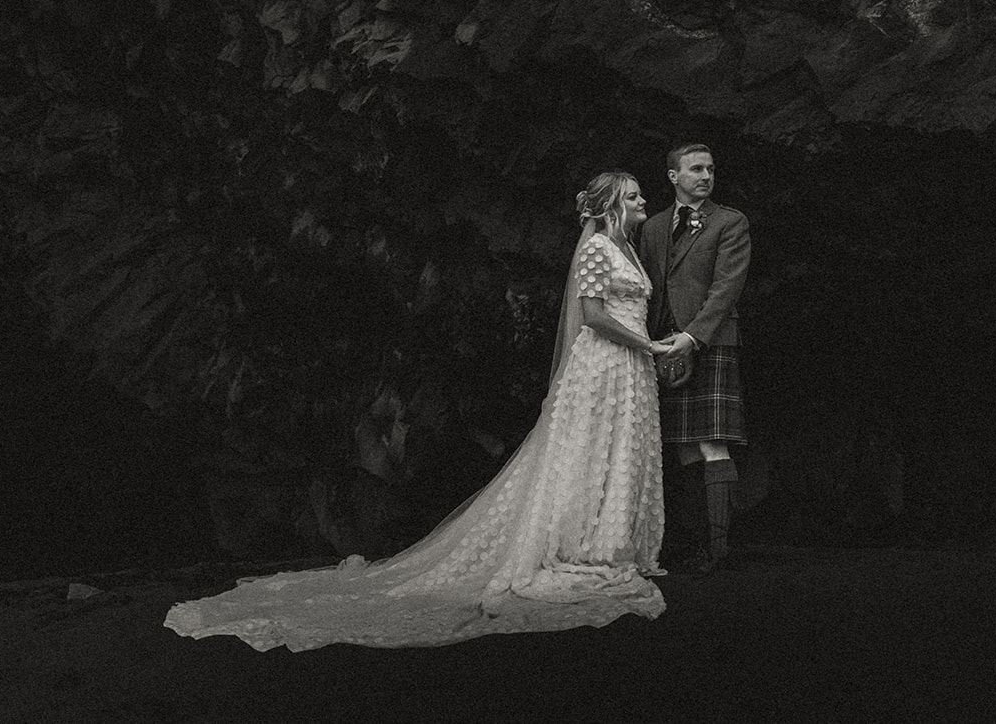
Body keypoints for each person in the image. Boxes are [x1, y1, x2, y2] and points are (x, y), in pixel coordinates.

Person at [164, 173, 674, 650]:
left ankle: (614, 541)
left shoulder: (627, 251)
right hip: (605, 367)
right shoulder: (597, 249)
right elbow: (591, 315)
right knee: (585, 454)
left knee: (619, 449)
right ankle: (582, 544)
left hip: (627, 368)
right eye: (632, 197)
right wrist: (647, 344)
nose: (643, 203)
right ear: (610, 208)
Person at [638, 143, 751, 574]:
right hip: (664, 345)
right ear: (673, 176)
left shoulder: (730, 222)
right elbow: (650, 287)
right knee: (683, 446)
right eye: (696, 169)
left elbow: (727, 288)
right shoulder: (653, 228)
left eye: (710, 168)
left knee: (712, 442)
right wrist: (651, 341)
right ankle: (692, 545)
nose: (706, 176)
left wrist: (692, 336)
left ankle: (719, 550)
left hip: (710, 342)